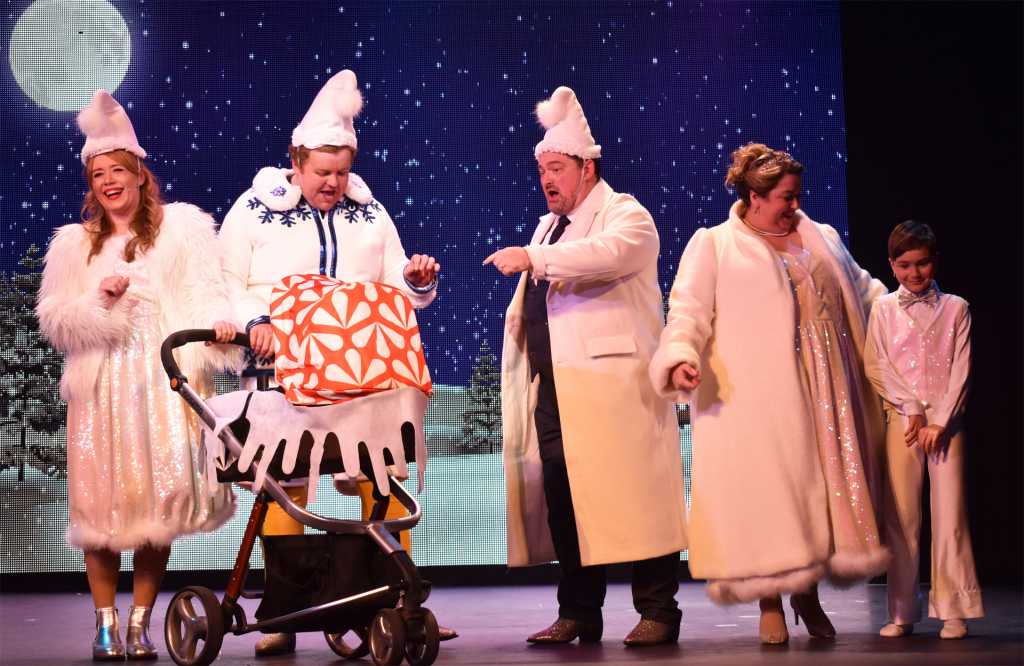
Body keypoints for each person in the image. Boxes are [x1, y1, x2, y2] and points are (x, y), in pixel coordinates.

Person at [217, 69, 449, 656]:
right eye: (322, 172)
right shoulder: (253, 210)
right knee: (284, 485)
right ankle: (284, 611)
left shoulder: (369, 212)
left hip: (360, 373)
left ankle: (397, 603)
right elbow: (228, 283)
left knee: (380, 478)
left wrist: (416, 281)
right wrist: (257, 322)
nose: (333, 183)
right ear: (295, 160)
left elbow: (394, 287)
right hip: (282, 367)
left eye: (342, 172)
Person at [648, 143, 890, 644]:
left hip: (828, 387)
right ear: (754, 197)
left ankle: (807, 592)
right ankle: (770, 600)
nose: (795, 205)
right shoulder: (716, 245)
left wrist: (909, 309)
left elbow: (866, 292)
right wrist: (680, 357)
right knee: (771, 494)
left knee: (819, 492)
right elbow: (687, 309)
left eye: (798, 195)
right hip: (757, 393)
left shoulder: (821, 236)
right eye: (785, 197)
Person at [36, 90, 239, 661]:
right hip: (102, 389)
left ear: (138, 174)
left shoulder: (182, 229)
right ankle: (105, 625)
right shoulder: (76, 246)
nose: (108, 182)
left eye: (117, 170)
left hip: (164, 381)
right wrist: (99, 300)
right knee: (100, 509)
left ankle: (140, 623)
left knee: (157, 509)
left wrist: (220, 325)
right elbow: (55, 320)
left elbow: (205, 292)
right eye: (98, 174)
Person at [486, 86, 688, 646]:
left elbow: (610, 254)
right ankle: (578, 611)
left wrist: (534, 257)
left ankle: (659, 611)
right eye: (542, 170)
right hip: (558, 388)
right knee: (565, 500)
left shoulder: (625, 213)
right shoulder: (548, 225)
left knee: (638, 496)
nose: (547, 180)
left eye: (557, 169)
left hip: (617, 387)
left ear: (587, 168)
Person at [864, 221, 984, 640]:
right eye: (904, 265)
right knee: (901, 518)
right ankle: (902, 611)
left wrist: (940, 420)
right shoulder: (882, 309)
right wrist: (911, 408)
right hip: (904, 423)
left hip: (946, 425)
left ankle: (954, 610)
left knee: (950, 516)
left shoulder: (957, 308)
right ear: (891, 265)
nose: (914, 273)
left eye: (922, 263)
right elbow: (876, 364)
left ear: (935, 261)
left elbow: (962, 370)